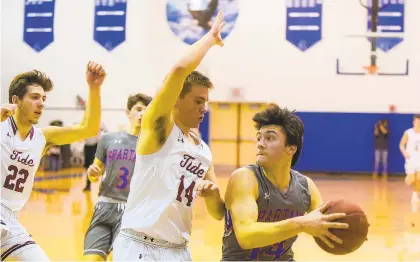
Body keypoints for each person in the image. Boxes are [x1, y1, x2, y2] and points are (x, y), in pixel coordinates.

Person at [112, 11, 226, 261]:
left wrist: (214, 194)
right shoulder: (159, 128)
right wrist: (210, 38)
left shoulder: (203, 150)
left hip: (178, 250)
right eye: (198, 101)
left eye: (206, 102)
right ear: (177, 98)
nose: (204, 108)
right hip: (139, 246)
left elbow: (218, 213)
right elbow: (179, 69)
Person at [0, 61, 106, 261]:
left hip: (11, 221)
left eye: (43, 98)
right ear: (16, 100)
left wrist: (94, 87)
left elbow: (89, 129)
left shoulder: (43, 137)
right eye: (34, 97)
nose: (41, 103)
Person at [222, 104, 349, 261]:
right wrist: (300, 224)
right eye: (259, 138)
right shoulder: (245, 178)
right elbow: (246, 236)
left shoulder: (306, 186)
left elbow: (325, 228)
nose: (260, 143)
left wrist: (349, 227)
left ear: (291, 149)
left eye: (269, 138)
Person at [83, 93, 152, 261]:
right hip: (104, 206)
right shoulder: (108, 139)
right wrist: (92, 173)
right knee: (91, 258)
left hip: (131, 211)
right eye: (138, 109)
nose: (142, 114)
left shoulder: (151, 145)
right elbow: (95, 171)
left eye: (147, 110)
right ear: (127, 112)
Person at [399, 114, 420, 213]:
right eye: (416, 121)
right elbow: (401, 144)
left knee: (419, 178)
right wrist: (405, 153)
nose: (418, 123)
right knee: (410, 180)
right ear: (414, 122)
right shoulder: (408, 132)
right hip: (410, 159)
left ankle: (415, 195)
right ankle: (409, 180)